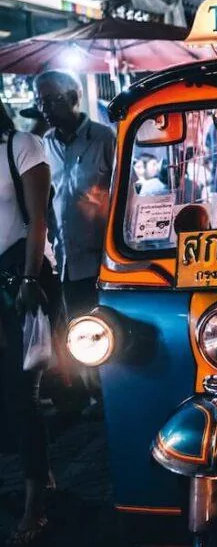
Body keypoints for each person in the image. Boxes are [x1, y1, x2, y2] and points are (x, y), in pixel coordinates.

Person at [34, 71, 115, 415]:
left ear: (73, 98)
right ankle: (93, 393)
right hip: (65, 258)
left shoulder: (102, 137)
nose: (45, 108)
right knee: (77, 329)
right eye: (41, 102)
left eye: (51, 100)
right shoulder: (44, 144)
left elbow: (126, 192)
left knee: (106, 330)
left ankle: (110, 394)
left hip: (101, 256)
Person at [0, 100, 53, 545]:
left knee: (22, 394)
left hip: (19, 279)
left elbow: (38, 219)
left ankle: (36, 501)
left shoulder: (21, 145)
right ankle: (39, 476)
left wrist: (31, 278)